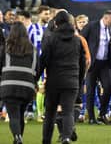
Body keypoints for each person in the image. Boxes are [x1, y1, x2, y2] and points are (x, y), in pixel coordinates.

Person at [37, 11, 86, 144]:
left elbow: (43, 60)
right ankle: (66, 137)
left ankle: (46, 140)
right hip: (71, 81)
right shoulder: (77, 40)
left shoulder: (51, 39)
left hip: (54, 81)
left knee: (50, 113)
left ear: (56, 23)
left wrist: (36, 78)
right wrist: (79, 81)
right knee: (68, 111)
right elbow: (83, 63)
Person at [0, 22, 38, 144]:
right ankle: (19, 137)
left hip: (9, 86)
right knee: (21, 114)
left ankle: (17, 137)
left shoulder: (5, 48)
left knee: (13, 115)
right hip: (27, 87)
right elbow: (37, 67)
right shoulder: (33, 49)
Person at [81, 10, 111, 125]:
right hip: (92, 63)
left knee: (109, 87)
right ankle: (91, 117)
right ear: (106, 18)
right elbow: (80, 40)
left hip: (104, 64)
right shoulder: (91, 26)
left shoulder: (110, 29)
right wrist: (84, 58)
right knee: (90, 90)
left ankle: (102, 114)